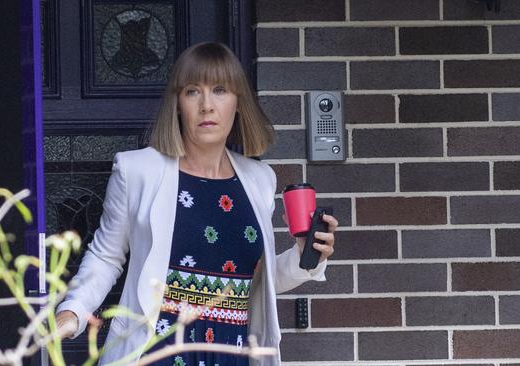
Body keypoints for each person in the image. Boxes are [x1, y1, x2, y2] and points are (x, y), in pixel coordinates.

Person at [55, 42, 338, 366]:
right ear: (177, 103)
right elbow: (106, 257)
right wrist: (72, 312)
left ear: (238, 103)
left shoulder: (259, 179)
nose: (207, 105)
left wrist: (307, 255)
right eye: (193, 91)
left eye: (220, 90)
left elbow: (257, 282)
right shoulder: (138, 171)